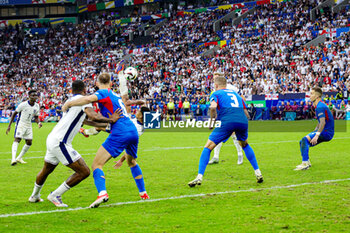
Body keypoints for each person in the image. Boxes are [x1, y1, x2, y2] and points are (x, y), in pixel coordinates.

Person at [62, 72, 149, 208]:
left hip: (120, 132)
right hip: (132, 131)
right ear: (111, 83)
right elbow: (102, 125)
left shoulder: (103, 93)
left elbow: (87, 99)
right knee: (131, 162)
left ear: (97, 84)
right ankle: (143, 193)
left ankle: (102, 193)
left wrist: (68, 104)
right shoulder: (115, 95)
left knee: (97, 164)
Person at [29, 80, 122, 207]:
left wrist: (107, 126)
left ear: (72, 90)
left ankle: (34, 196)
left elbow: (87, 121)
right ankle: (55, 195)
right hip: (61, 142)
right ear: (85, 90)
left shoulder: (70, 101)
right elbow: (93, 116)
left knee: (46, 169)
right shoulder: (84, 100)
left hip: (52, 138)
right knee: (84, 171)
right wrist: (111, 119)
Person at [188, 73, 263, 187]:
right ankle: (258, 173)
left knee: (208, 147)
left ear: (216, 85)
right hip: (242, 121)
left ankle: (199, 177)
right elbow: (246, 111)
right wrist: (245, 122)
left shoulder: (216, 93)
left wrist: (212, 122)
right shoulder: (236, 94)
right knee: (245, 145)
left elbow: (213, 107)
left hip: (227, 121)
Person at [295, 87, 334, 170]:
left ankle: (305, 163)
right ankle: (307, 162)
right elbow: (320, 121)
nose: (310, 95)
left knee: (304, 140)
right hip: (326, 131)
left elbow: (323, 122)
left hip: (326, 132)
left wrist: (316, 135)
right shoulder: (319, 105)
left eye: (312, 93)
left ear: (317, 96)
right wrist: (315, 129)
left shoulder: (320, 106)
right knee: (302, 142)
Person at [6, 90, 42, 165]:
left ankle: (19, 158)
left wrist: (38, 122)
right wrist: (9, 126)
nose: (34, 97)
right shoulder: (23, 104)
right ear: (29, 96)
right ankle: (13, 159)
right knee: (17, 139)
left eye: (35, 95)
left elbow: (36, 117)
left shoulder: (37, 106)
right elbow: (14, 114)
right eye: (33, 95)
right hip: (21, 124)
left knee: (29, 142)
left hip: (29, 125)